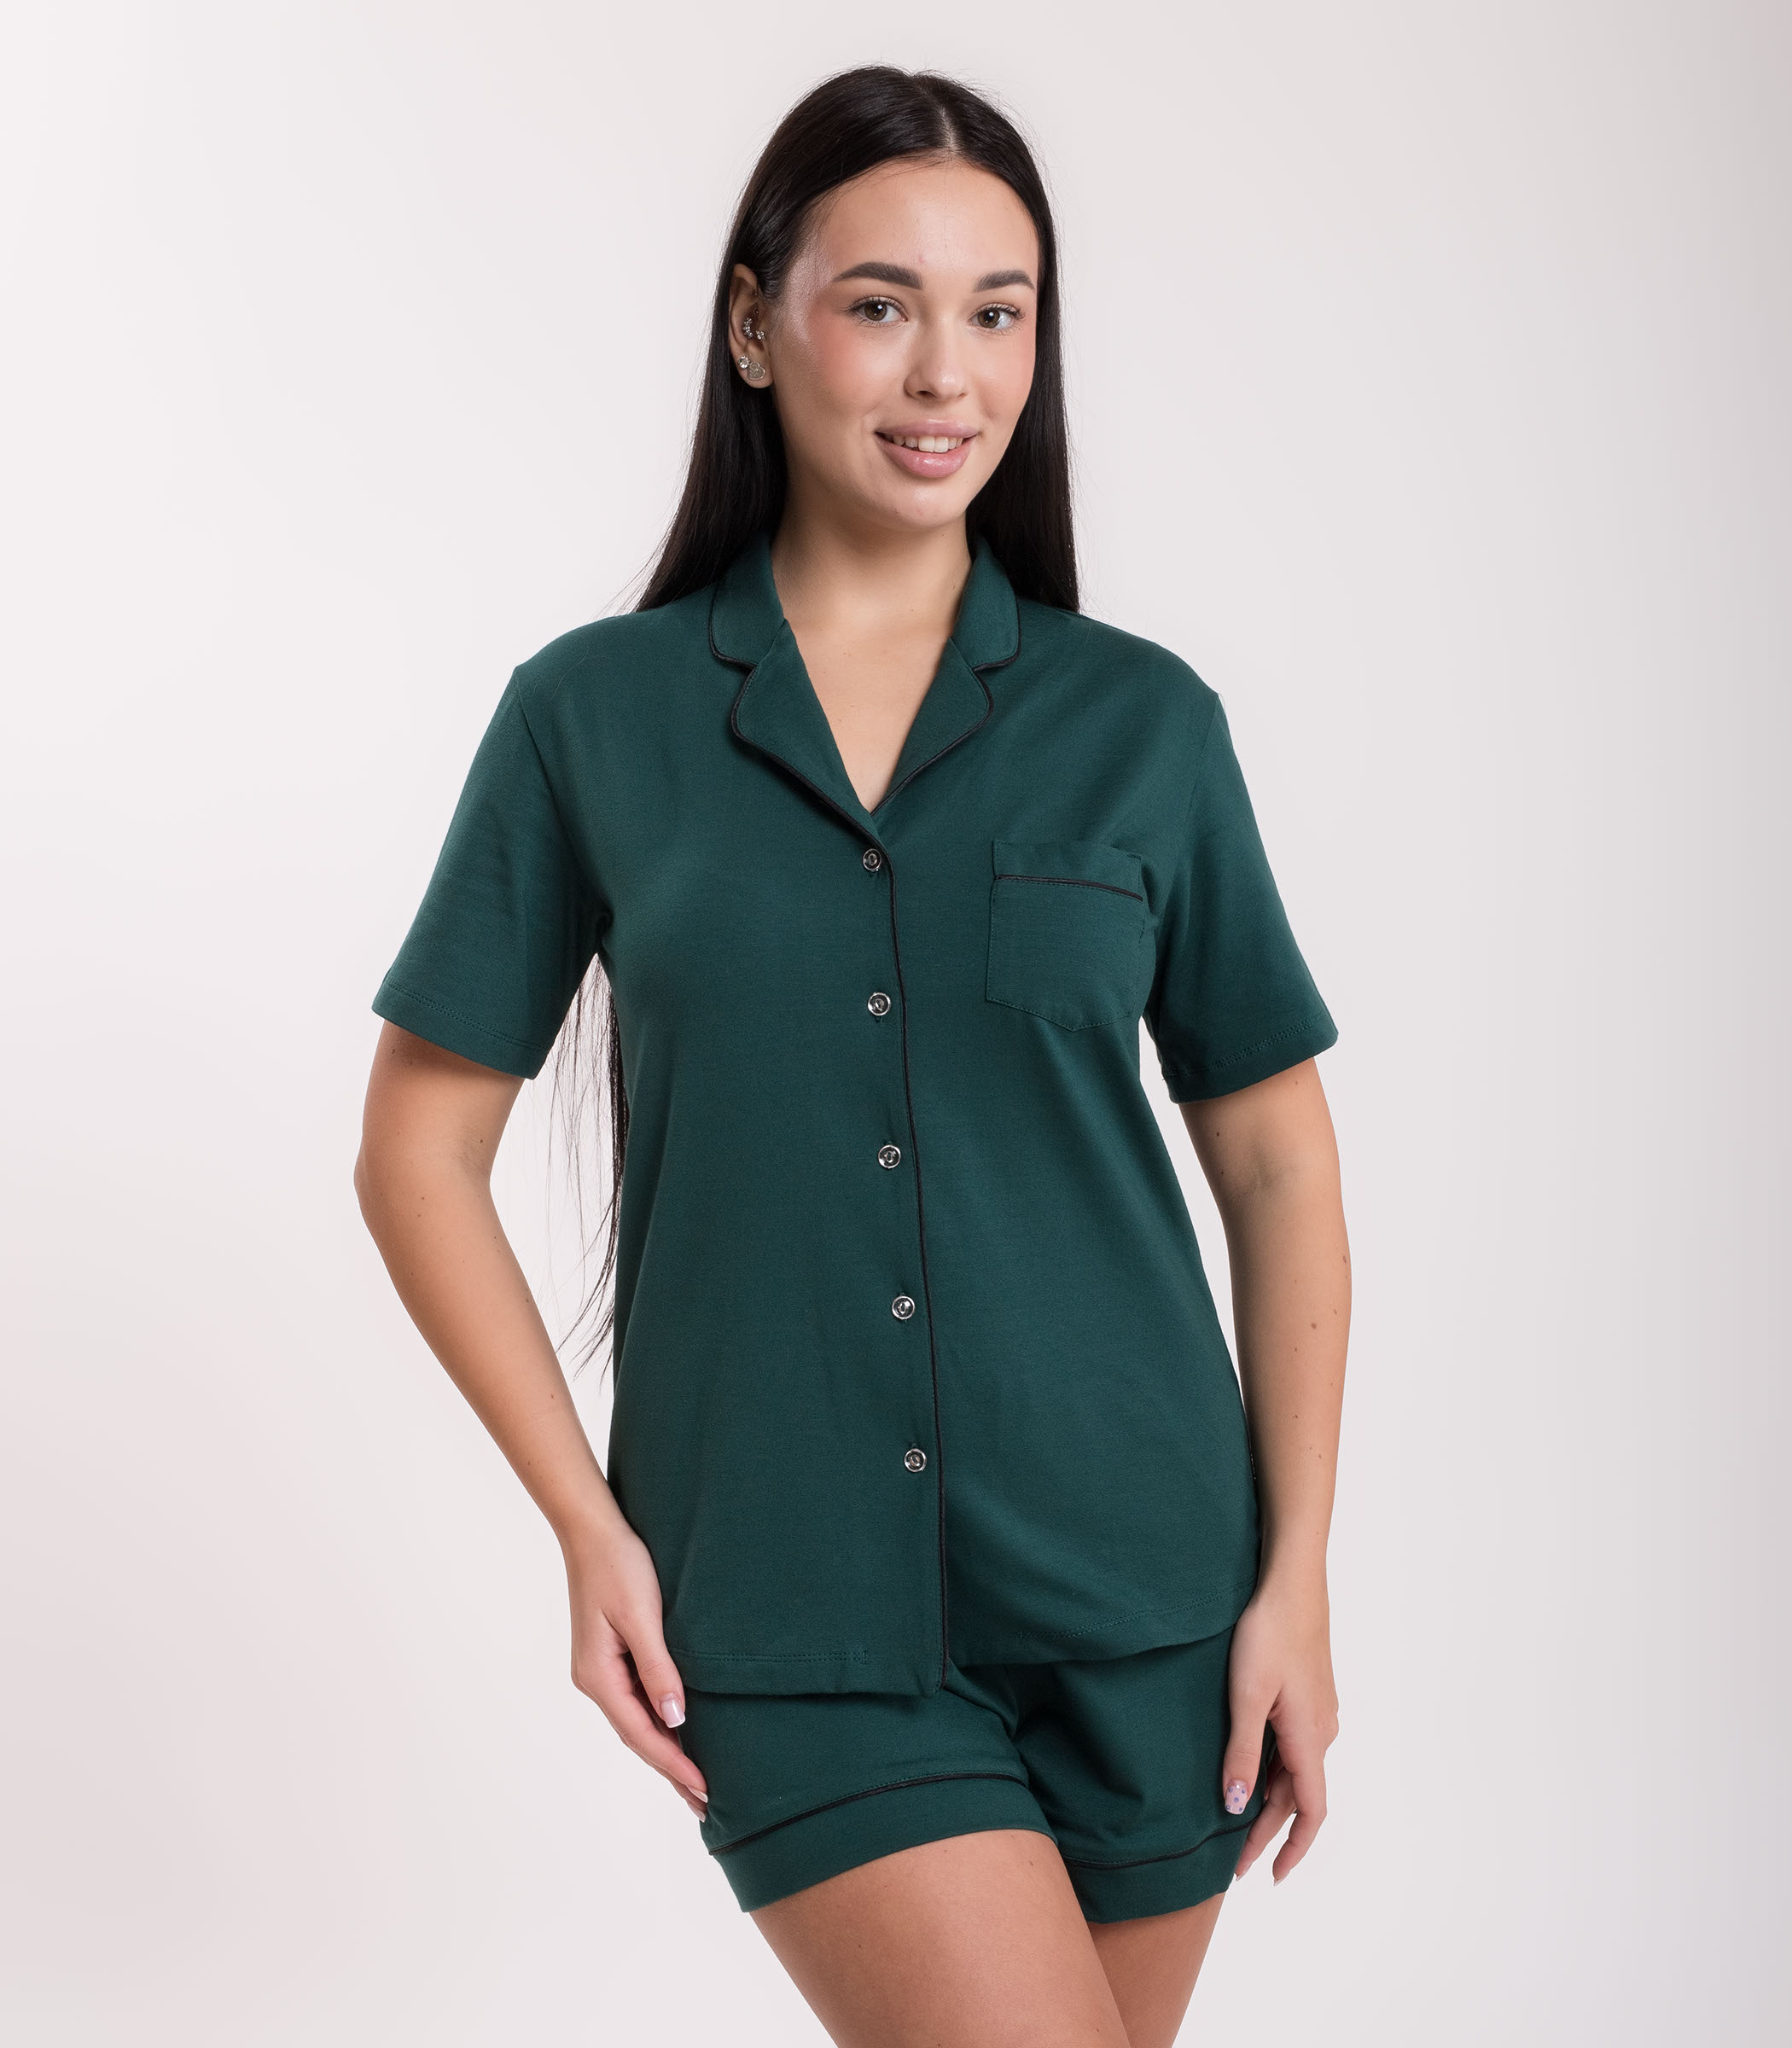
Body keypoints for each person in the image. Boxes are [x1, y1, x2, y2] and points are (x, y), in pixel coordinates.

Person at [355, 62, 1349, 2048]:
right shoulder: (592, 720)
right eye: (881, 303)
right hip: (792, 1612)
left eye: (999, 312)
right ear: (755, 325)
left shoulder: (1145, 726)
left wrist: (1297, 1575)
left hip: (1153, 1605)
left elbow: (1275, 1161)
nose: (945, 373)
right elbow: (414, 1153)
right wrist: (586, 1525)